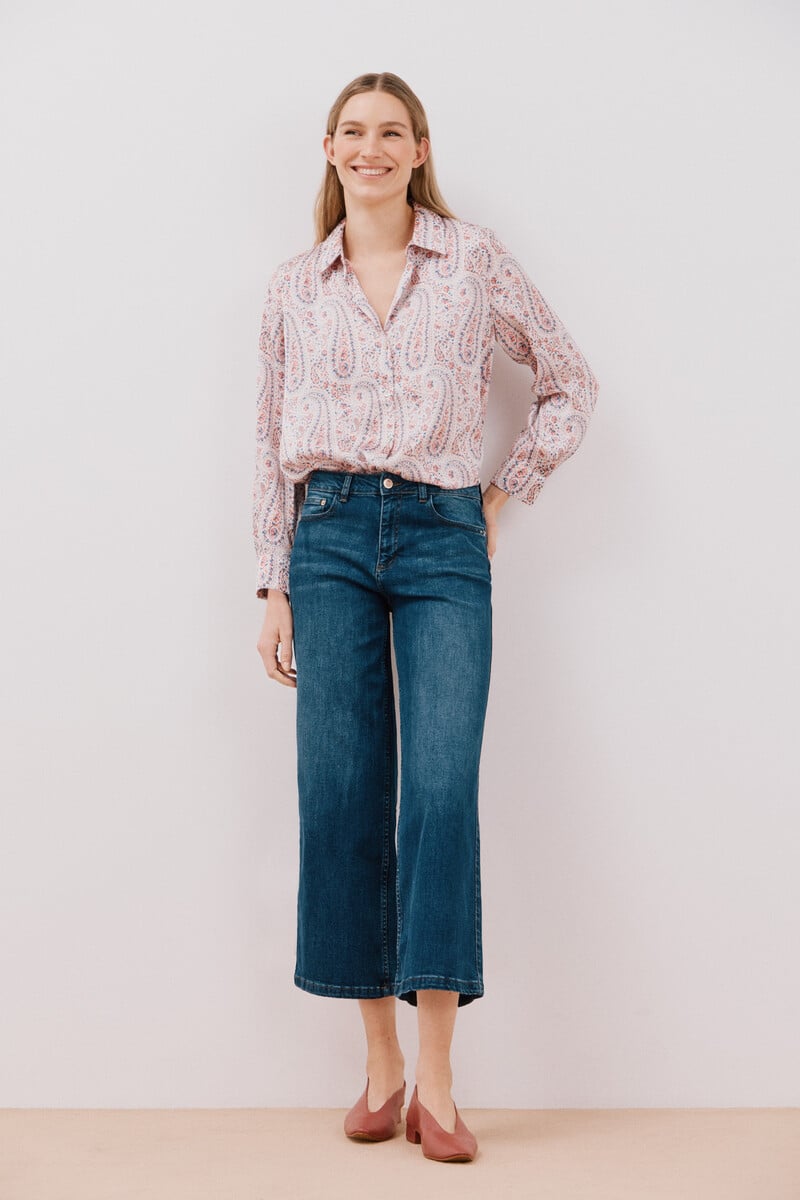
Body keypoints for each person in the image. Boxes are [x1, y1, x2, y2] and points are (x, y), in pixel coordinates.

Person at [254, 71, 599, 1163]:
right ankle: (380, 1068)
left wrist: (498, 497)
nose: (371, 147)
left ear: (418, 149)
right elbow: (266, 440)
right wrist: (271, 584)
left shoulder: (472, 260)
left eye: (390, 132)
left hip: (444, 538)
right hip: (326, 539)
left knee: (439, 796)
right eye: (352, 131)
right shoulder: (293, 286)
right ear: (328, 148)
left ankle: (439, 1081)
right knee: (342, 792)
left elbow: (570, 384)